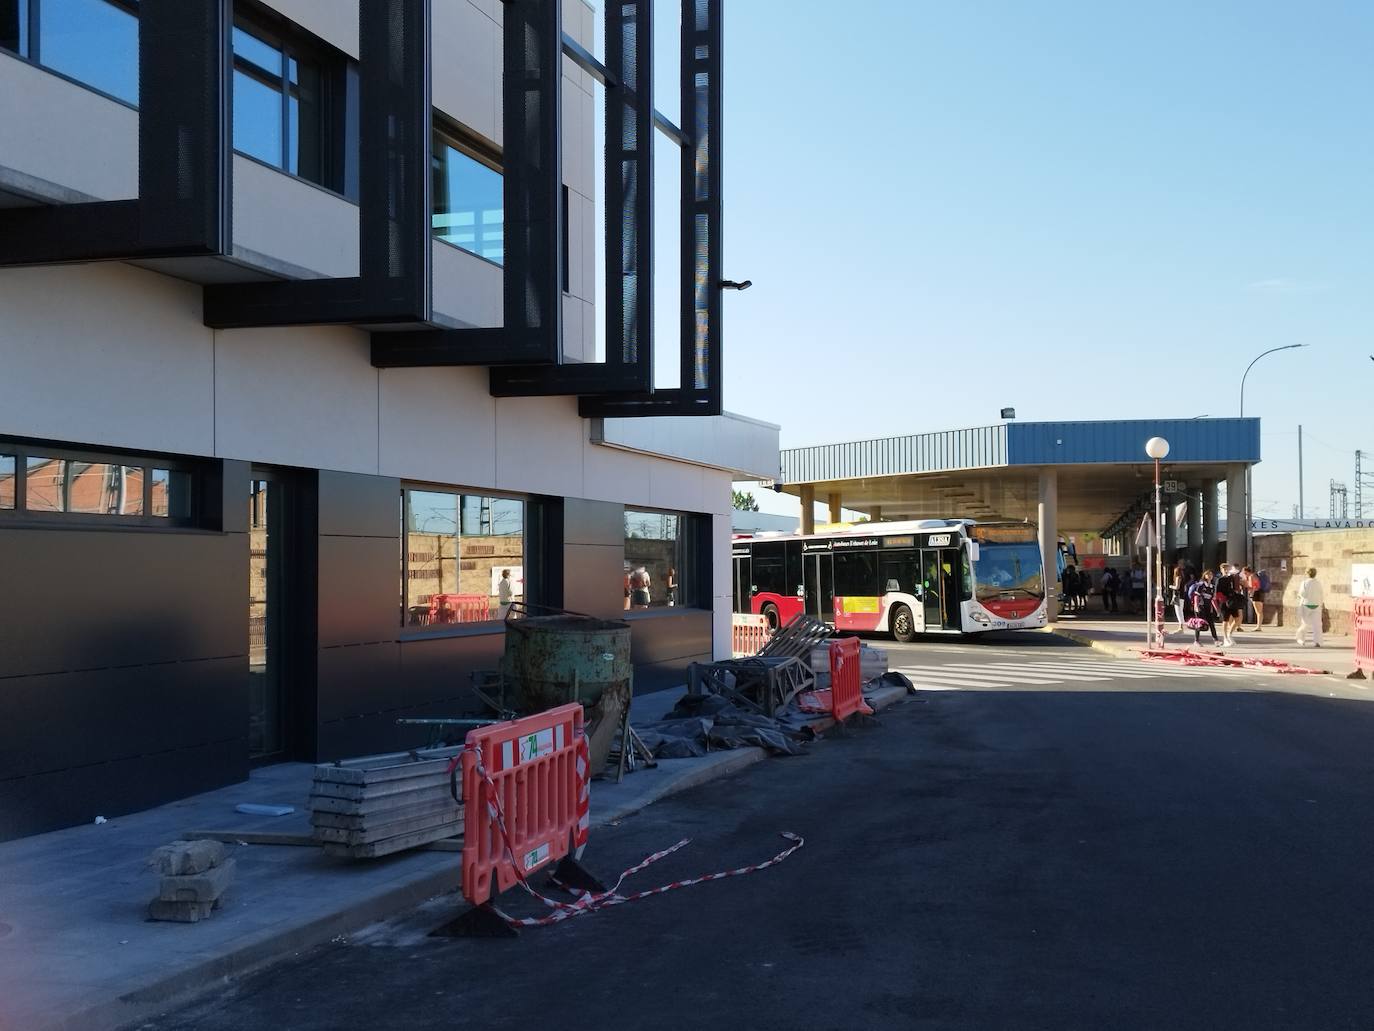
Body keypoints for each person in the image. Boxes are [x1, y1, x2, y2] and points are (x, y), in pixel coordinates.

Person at [1186, 569, 1219, 645]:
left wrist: (1217, 610)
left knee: (1211, 623)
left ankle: (1216, 640)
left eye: (1211, 574)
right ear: (1205, 576)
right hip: (1200, 607)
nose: (1210, 576)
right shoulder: (1201, 585)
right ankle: (1196, 641)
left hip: (1208, 607)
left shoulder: (1212, 587)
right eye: (1208, 574)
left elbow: (1213, 599)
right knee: (1199, 623)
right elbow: (1196, 596)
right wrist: (1196, 606)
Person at [1214, 564, 1245, 646]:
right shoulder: (1220, 580)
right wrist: (1223, 600)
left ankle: (1229, 634)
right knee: (1225, 620)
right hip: (1224, 602)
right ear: (1221, 570)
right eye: (1224, 569)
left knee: (1237, 618)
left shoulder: (1231, 578)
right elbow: (1217, 593)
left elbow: (1237, 586)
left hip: (1232, 600)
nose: (1226, 570)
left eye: (1227, 568)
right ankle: (1225, 638)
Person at [1293, 567, 1324, 647]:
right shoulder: (1318, 583)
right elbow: (1321, 594)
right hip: (1316, 605)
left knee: (1305, 624)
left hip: (1306, 605)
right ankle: (1318, 641)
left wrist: (1299, 596)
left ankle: (1301, 639)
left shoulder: (1304, 583)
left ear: (1307, 574)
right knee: (1317, 625)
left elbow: (1302, 594)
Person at [1169, 563, 1187, 634]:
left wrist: (1170, 586)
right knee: (1180, 611)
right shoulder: (1182, 578)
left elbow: (1177, 587)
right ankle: (1181, 626)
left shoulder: (1178, 577)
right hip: (1181, 595)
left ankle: (1181, 627)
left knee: (1178, 611)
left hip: (1178, 595)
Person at [1249, 566, 1268, 631]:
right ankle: (1259, 626)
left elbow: (1253, 587)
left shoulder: (1251, 576)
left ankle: (1258, 627)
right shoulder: (1258, 576)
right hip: (1261, 593)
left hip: (1256, 594)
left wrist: (1251, 595)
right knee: (1260, 611)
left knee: (1258, 612)